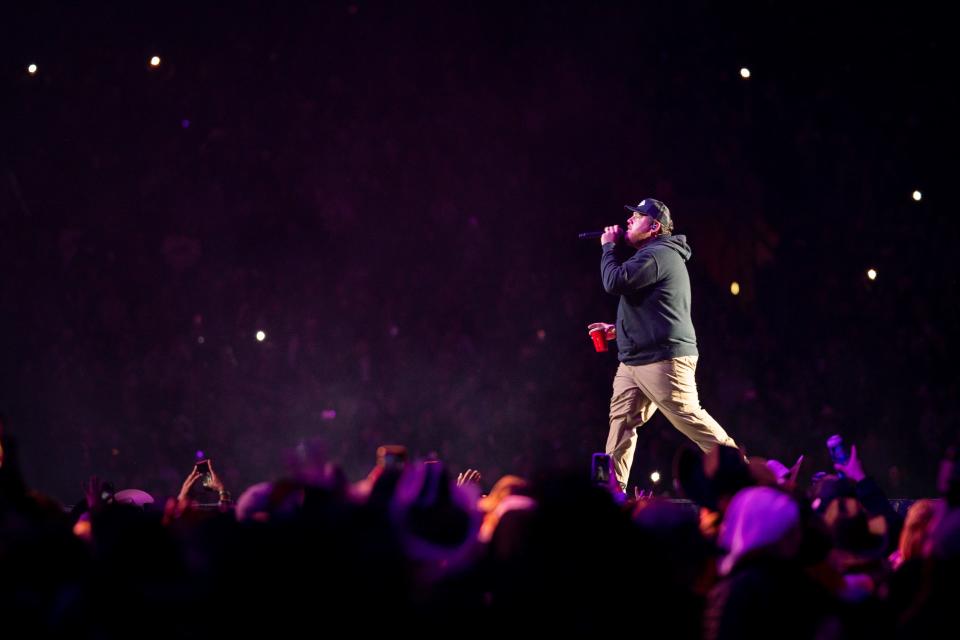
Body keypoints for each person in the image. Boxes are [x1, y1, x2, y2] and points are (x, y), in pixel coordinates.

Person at [589, 198, 737, 491]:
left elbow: (615, 282)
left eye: (638, 217)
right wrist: (617, 329)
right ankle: (608, 495)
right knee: (620, 425)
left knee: (690, 418)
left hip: (663, 359)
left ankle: (744, 474)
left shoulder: (660, 254)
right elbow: (655, 310)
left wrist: (608, 247)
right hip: (635, 360)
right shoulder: (652, 255)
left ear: (655, 226)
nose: (629, 220)